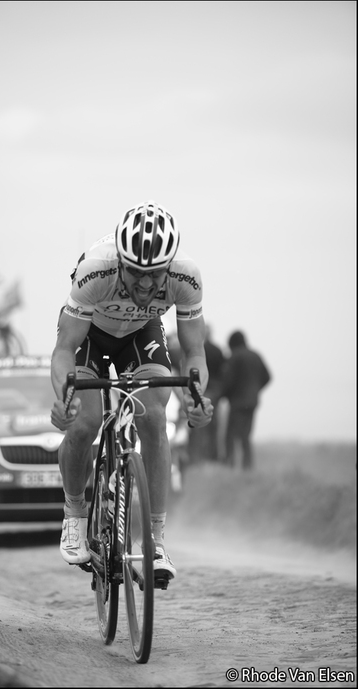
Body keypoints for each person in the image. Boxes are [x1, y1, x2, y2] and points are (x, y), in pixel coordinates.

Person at [50, 200, 213, 582]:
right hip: (91, 334)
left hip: (141, 334)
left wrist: (196, 397)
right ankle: (74, 513)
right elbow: (63, 351)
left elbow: (194, 352)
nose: (144, 283)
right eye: (135, 271)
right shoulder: (95, 271)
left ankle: (154, 542)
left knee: (154, 417)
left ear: (169, 266)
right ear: (120, 261)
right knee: (85, 423)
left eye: (154, 275)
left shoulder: (186, 277)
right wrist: (64, 398)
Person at [221, 330, 271, 470]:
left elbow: (228, 381)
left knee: (231, 434)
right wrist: (256, 389)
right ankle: (247, 466)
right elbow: (268, 377)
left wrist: (223, 395)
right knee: (245, 435)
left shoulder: (235, 357)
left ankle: (230, 464)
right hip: (252, 401)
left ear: (232, 344)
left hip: (237, 402)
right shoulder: (256, 356)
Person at [187, 324, 225, 463]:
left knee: (196, 423)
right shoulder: (217, 350)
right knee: (213, 424)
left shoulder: (195, 351)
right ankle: (213, 456)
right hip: (214, 391)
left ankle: (195, 457)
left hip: (200, 388)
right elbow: (223, 372)